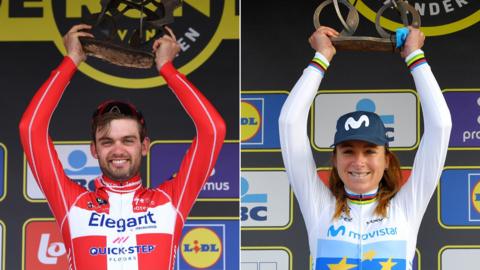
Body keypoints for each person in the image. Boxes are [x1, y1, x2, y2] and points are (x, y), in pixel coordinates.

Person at [19, 24, 226, 270]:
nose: (118, 150)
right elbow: (30, 128)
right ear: (94, 149)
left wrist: (167, 69)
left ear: (144, 146)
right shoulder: (71, 203)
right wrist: (72, 59)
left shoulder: (171, 200)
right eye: (107, 141)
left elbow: (213, 129)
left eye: (128, 140)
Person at [278, 26, 451, 269]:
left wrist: (415, 56)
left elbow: (441, 126)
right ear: (335, 159)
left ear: (386, 159)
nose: (358, 161)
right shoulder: (319, 207)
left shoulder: (405, 209)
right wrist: (322, 57)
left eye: (370, 151)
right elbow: (289, 122)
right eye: (348, 151)